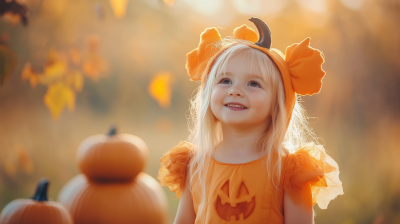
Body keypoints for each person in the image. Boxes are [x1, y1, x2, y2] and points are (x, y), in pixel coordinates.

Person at [158, 17, 343, 224]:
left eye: (253, 84)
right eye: (225, 80)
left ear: (277, 104)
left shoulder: (287, 171)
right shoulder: (195, 166)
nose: (235, 90)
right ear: (209, 93)